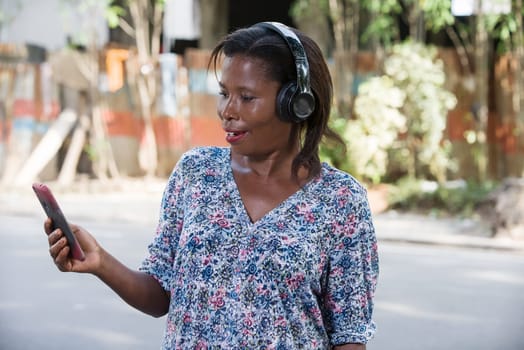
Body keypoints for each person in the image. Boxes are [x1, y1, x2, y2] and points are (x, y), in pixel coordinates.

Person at [45, 21, 379, 349]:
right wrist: (100, 261)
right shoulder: (195, 173)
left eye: (246, 98)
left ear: (295, 103)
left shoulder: (341, 201)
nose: (227, 111)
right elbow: (160, 293)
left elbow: (349, 336)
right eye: (223, 94)